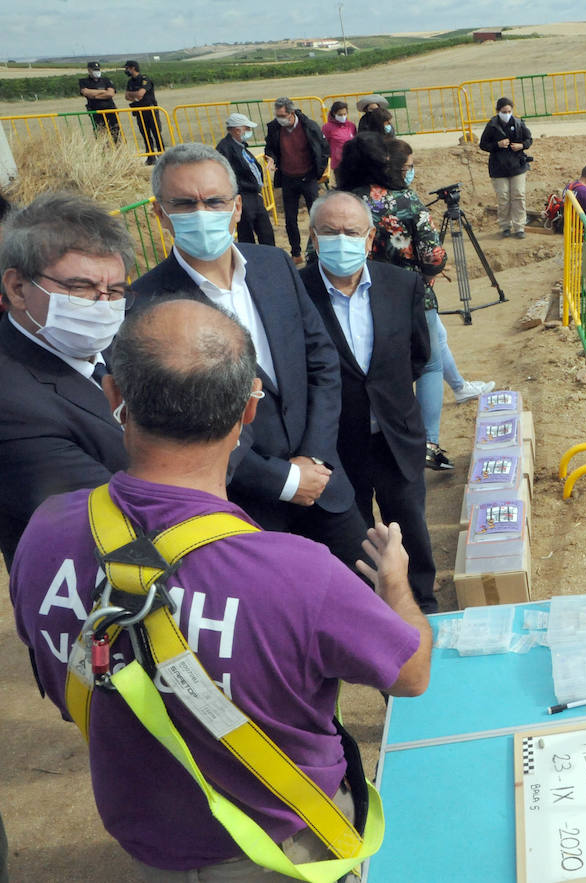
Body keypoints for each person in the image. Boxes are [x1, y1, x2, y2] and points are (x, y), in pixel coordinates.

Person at [10, 294, 432, 879]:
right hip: (283, 847)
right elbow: (410, 674)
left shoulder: (47, 530)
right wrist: (394, 588)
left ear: (114, 399)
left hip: (149, 843)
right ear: (248, 409)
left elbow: (64, 678)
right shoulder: (298, 573)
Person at [134, 142, 370, 569]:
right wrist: (279, 479)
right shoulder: (147, 305)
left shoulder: (273, 266)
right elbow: (177, 422)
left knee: (373, 601)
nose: (202, 213)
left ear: (238, 207)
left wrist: (312, 459)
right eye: (184, 204)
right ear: (160, 214)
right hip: (246, 510)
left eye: (215, 201)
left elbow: (321, 362)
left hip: (323, 484)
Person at [301, 190, 438, 612]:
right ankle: (368, 611)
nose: (341, 240)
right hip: (336, 444)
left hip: (396, 434)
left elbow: (419, 355)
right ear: (313, 235)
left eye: (351, 231)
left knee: (409, 523)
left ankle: (423, 602)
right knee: (351, 532)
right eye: (329, 231)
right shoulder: (295, 290)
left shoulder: (401, 284)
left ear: (369, 235)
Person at [335, 133, 493, 471]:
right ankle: (427, 442)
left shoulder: (335, 202)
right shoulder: (404, 201)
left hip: (351, 302)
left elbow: (313, 254)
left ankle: (382, 438)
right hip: (411, 300)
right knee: (429, 364)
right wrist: (429, 271)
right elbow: (432, 257)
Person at [0, 191, 133, 568]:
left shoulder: (126, 341)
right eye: (80, 288)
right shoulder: (10, 401)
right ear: (18, 288)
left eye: (116, 291)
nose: (102, 304)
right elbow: (122, 518)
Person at [264, 97, 328, 265]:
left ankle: (320, 250)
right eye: (277, 115)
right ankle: (296, 253)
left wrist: (317, 173)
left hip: (308, 178)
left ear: (291, 114)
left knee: (316, 216)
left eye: (282, 115)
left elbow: (323, 149)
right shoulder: (274, 128)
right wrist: (270, 158)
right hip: (288, 179)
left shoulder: (309, 126)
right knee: (290, 219)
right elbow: (270, 147)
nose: (279, 118)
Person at [215, 113, 276, 246]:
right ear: (237, 130)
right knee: (246, 234)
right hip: (242, 195)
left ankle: (270, 257)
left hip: (254, 194)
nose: (249, 132)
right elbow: (225, 174)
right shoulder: (225, 148)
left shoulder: (241, 146)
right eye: (247, 128)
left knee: (266, 232)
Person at [478, 97, 533, 238]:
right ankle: (505, 226)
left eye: (509, 111)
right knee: (503, 197)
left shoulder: (519, 123)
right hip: (499, 168)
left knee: (518, 195)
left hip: (517, 166)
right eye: (504, 111)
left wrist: (521, 146)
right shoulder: (492, 125)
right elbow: (483, 144)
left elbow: (529, 140)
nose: (507, 114)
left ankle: (519, 227)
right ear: (498, 111)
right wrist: (497, 145)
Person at [123, 60, 163, 164]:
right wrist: (135, 96)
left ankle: (162, 155)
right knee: (145, 134)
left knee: (156, 133)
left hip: (150, 110)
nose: (126, 70)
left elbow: (141, 94)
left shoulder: (145, 79)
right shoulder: (130, 82)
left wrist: (134, 95)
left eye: (127, 68)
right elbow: (126, 96)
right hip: (139, 111)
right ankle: (150, 156)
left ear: (132, 68)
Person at [77, 61, 121, 143]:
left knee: (115, 132)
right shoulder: (84, 81)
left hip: (110, 110)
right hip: (96, 111)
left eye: (98, 69)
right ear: (89, 70)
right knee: (100, 134)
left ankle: (118, 151)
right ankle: (105, 152)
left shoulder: (106, 80)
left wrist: (95, 96)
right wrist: (104, 91)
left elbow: (111, 93)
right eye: (94, 69)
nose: (97, 71)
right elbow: (85, 92)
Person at [322, 100, 357, 172]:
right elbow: (324, 145)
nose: (343, 116)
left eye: (345, 114)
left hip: (353, 161)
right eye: (340, 115)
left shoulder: (351, 126)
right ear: (334, 113)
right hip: (339, 165)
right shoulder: (327, 127)